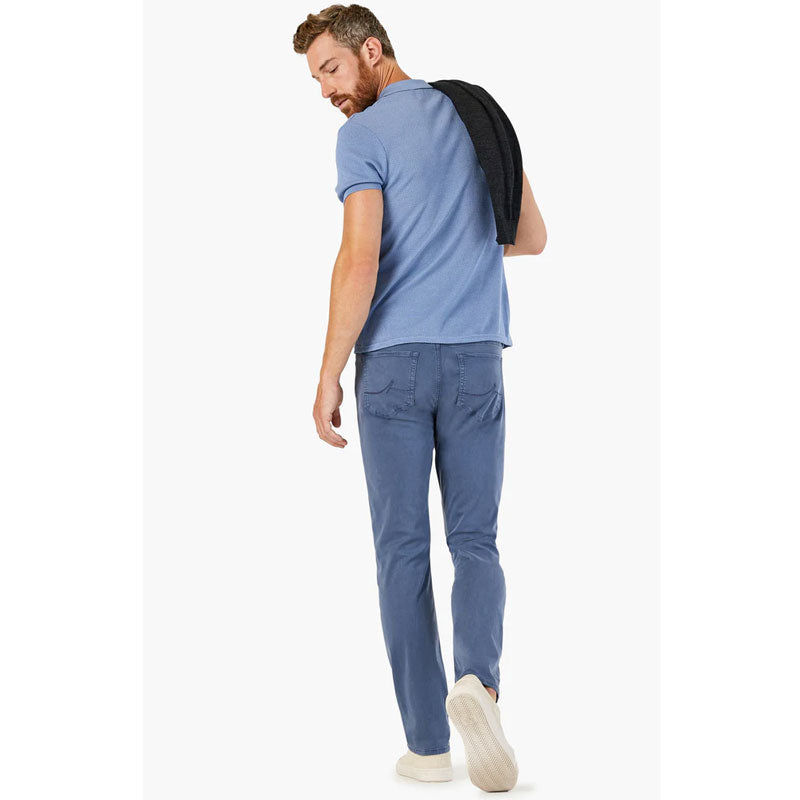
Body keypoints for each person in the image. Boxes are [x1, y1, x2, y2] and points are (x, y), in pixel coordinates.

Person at [294, 4, 546, 792]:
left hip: (395, 369)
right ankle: (480, 686)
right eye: (317, 80)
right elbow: (531, 236)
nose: (327, 91)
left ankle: (430, 747)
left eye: (332, 69)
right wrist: (457, 239)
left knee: (401, 550)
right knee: (476, 541)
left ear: (372, 50)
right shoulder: (478, 115)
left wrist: (328, 372)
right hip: (476, 360)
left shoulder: (363, 137)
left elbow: (359, 258)